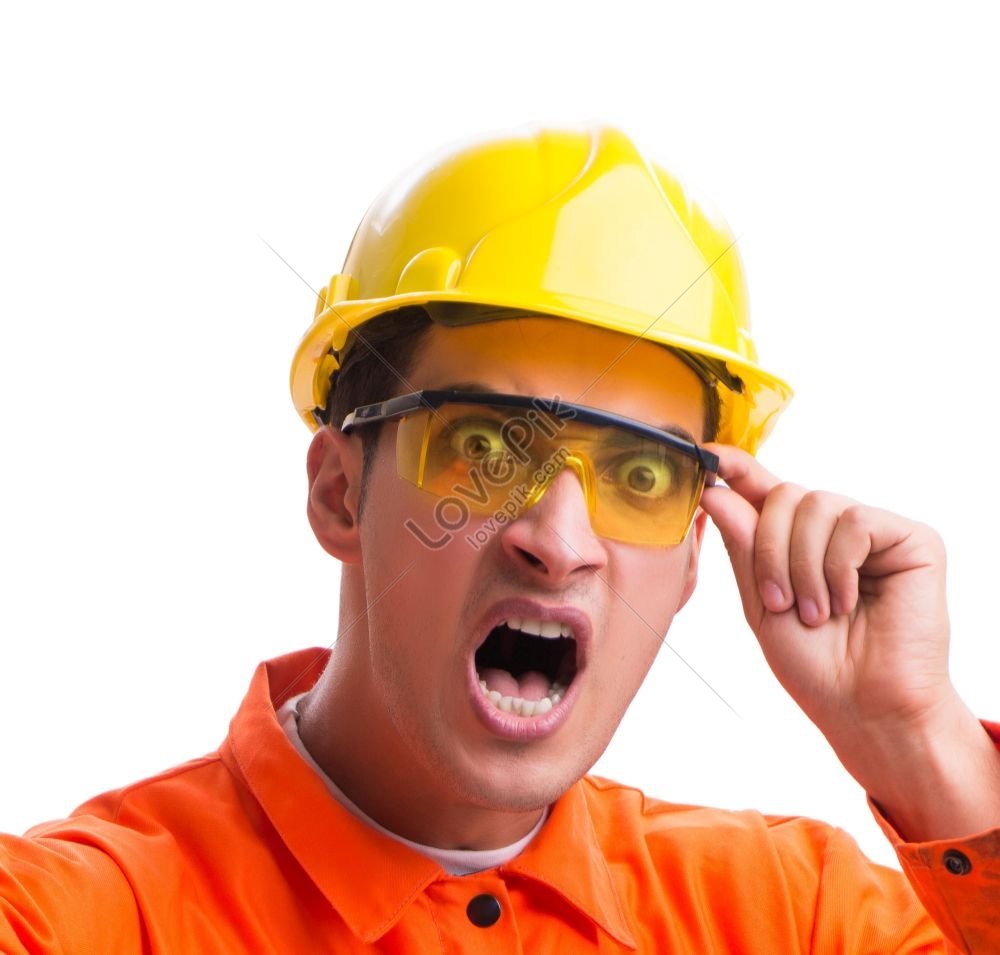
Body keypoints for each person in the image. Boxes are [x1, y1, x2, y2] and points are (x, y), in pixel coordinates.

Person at [2, 125, 998, 953]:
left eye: (639, 474)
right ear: (340, 491)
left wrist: (918, 742)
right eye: (484, 445)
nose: (558, 541)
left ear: (697, 552)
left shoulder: (796, 918)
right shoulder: (77, 917)